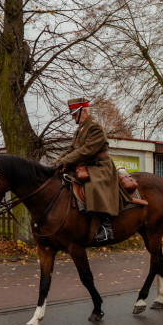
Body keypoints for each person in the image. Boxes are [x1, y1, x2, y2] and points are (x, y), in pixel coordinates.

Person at [53, 98, 119, 243]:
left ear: (84, 110)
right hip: (86, 164)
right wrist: (56, 163)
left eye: (75, 114)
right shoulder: (79, 130)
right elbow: (71, 150)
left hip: (100, 165)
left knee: (93, 184)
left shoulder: (95, 127)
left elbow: (87, 150)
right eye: (72, 114)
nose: (73, 117)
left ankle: (106, 228)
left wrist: (65, 161)